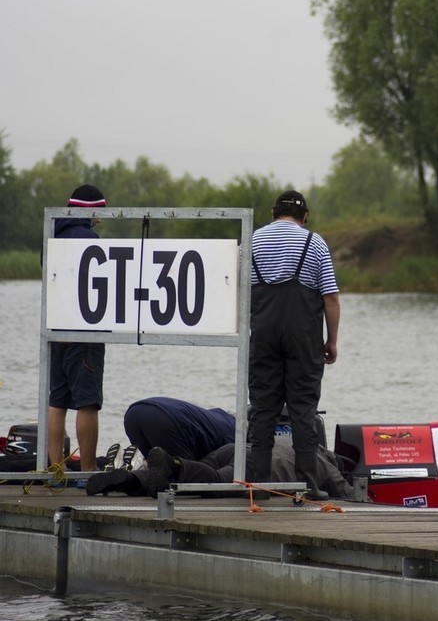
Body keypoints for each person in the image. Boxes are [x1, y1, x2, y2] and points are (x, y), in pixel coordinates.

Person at [247, 190, 340, 499]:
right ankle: (307, 485)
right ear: (306, 217)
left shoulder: (254, 240)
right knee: (303, 407)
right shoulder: (315, 242)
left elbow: (240, 292)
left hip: (264, 333)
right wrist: (332, 341)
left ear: (274, 213)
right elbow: (330, 297)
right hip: (304, 336)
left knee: (263, 407)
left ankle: (258, 484)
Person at [47, 184, 108, 473]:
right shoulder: (88, 239)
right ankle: (87, 471)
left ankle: (55, 470)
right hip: (84, 330)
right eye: (99, 212)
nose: (100, 219)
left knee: (57, 400)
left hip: (55, 327)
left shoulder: (52, 234)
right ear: (91, 210)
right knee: (88, 402)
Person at [85, 436, 350, 499]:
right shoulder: (324, 462)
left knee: (196, 472)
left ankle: (132, 479)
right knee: (214, 481)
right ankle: (173, 463)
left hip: (235, 448)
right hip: (252, 463)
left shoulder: (293, 440)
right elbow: (345, 492)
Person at [123, 397, 235, 460]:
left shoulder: (218, 417)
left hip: (133, 413)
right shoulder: (234, 437)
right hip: (166, 418)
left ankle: (122, 473)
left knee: (154, 467)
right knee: (184, 474)